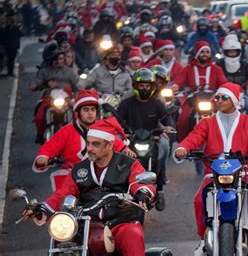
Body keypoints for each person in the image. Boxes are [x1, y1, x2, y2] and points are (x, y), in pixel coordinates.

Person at [25, 117, 155, 256]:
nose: (90, 149)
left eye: (96, 144)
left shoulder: (128, 164)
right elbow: (62, 194)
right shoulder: (79, 169)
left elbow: (140, 182)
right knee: (62, 242)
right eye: (88, 143)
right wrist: (41, 208)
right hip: (86, 224)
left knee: (133, 236)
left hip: (120, 222)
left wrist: (143, 193)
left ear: (109, 145)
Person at [174, 82, 248, 256]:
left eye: (224, 97)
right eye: (217, 97)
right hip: (213, 173)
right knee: (199, 201)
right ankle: (202, 240)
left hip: (244, 171)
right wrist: (182, 148)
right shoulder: (207, 122)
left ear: (235, 101)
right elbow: (194, 138)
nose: (218, 100)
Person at [32, 90, 135, 185]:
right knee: (63, 202)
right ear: (78, 112)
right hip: (72, 175)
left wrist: (125, 150)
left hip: (98, 175)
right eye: (86, 110)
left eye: (93, 110)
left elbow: (115, 142)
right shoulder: (66, 131)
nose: (90, 113)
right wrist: (43, 157)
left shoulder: (102, 129)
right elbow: (50, 146)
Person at [118, 68, 174, 211]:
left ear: (152, 87)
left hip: (152, 137)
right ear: (135, 86)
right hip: (131, 138)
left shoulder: (157, 103)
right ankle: (116, 184)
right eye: (141, 85)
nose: (144, 88)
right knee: (116, 150)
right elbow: (117, 119)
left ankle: (160, 186)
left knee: (165, 145)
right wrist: (121, 131)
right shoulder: (127, 103)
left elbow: (166, 117)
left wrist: (168, 127)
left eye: (147, 86)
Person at [172, 41, 228, 141]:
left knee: (225, 117)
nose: (205, 54)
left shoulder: (216, 69)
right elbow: (179, 80)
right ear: (197, 53)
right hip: (193, 97)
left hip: (212, 98)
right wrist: (175, 86)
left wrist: (226, 88)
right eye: (202, 52)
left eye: (207, 52)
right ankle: (184, 143)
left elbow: (223, 82)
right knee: (183, 118)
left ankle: (224, 142)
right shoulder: (188, 69)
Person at [29, 47, 79, 143]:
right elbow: (38, 80)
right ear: (53, 60)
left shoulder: (69, 71)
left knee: (77, 115)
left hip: (67, 98)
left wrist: (81, 87)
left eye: (62, 59)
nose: (61, 61)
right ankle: (40, 134)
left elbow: (77, 82)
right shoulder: (45, 71)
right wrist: (34, 85)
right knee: (39, 117)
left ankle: (76, 135)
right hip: (49, 98)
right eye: (59, 59)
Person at [216, 34, 248, 116]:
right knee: (212, 108)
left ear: (239, 52)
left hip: (241, 95)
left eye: (234, 52)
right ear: (225, 52)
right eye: (230, 52)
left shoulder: (245, 65)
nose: (232, 54)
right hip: (222, 95)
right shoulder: (219, 65)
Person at [1, 10, 22, 77]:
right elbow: (20, 34)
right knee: (10, 59)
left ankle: (10, 72)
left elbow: (20, 35)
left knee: (10, 59)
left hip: (11, 45)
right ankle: (10, 72)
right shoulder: (8, 27)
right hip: (10, 45)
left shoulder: (12, 27)